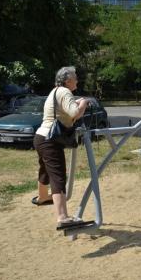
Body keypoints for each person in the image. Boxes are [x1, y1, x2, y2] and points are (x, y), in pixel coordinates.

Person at [32, 66, 90, 229]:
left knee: (45, 169)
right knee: (58, 176)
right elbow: (74, 113)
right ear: (67, 80)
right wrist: (84, 102)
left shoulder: (55, 91)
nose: (77, 80)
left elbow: (63, 110)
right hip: (51, 140)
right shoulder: (65, 92)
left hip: (41, 137)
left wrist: (77, 103)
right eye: (75, 77)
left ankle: (43, 197)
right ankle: (62, 217)